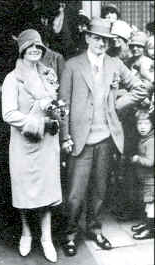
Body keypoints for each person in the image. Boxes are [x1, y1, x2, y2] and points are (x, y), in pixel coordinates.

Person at [59, 17, 149, 256]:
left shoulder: (115, 63)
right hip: (80, 139)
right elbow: (63, 105)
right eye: (97, 38)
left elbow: (141, 87)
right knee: (75, 194)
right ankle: (69, 234)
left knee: (100, 191)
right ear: (88, 37)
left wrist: (117, 105)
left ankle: (94, 229)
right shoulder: (72, 65)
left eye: (106, 40)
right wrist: (65, 137)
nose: (101, 43)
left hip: (106, 138)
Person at [1, 29, 63, 263]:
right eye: (31, 47)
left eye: (39, 47)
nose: (36, 50)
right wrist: (36, 122)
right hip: (24, 143)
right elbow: (8, 113)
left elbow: (53, 105)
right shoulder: (12, 78)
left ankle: (46, 238)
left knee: (46, 190)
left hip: (47, 143)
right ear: (23, 50)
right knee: (25, 190)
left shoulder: (48, 74)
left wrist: (56, 114)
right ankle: (26, 233)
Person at [130, 108, 154, 240]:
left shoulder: (151, 141)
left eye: (146, 124)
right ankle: (146, 224)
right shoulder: (144, 138)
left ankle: (151, 229)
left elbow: (151, 162)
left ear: (152, 125)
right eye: (140, 124)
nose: (142, 127)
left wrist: (138, 158)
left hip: (151, 180)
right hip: (145, 179)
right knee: (147, 203)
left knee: (151, 204)